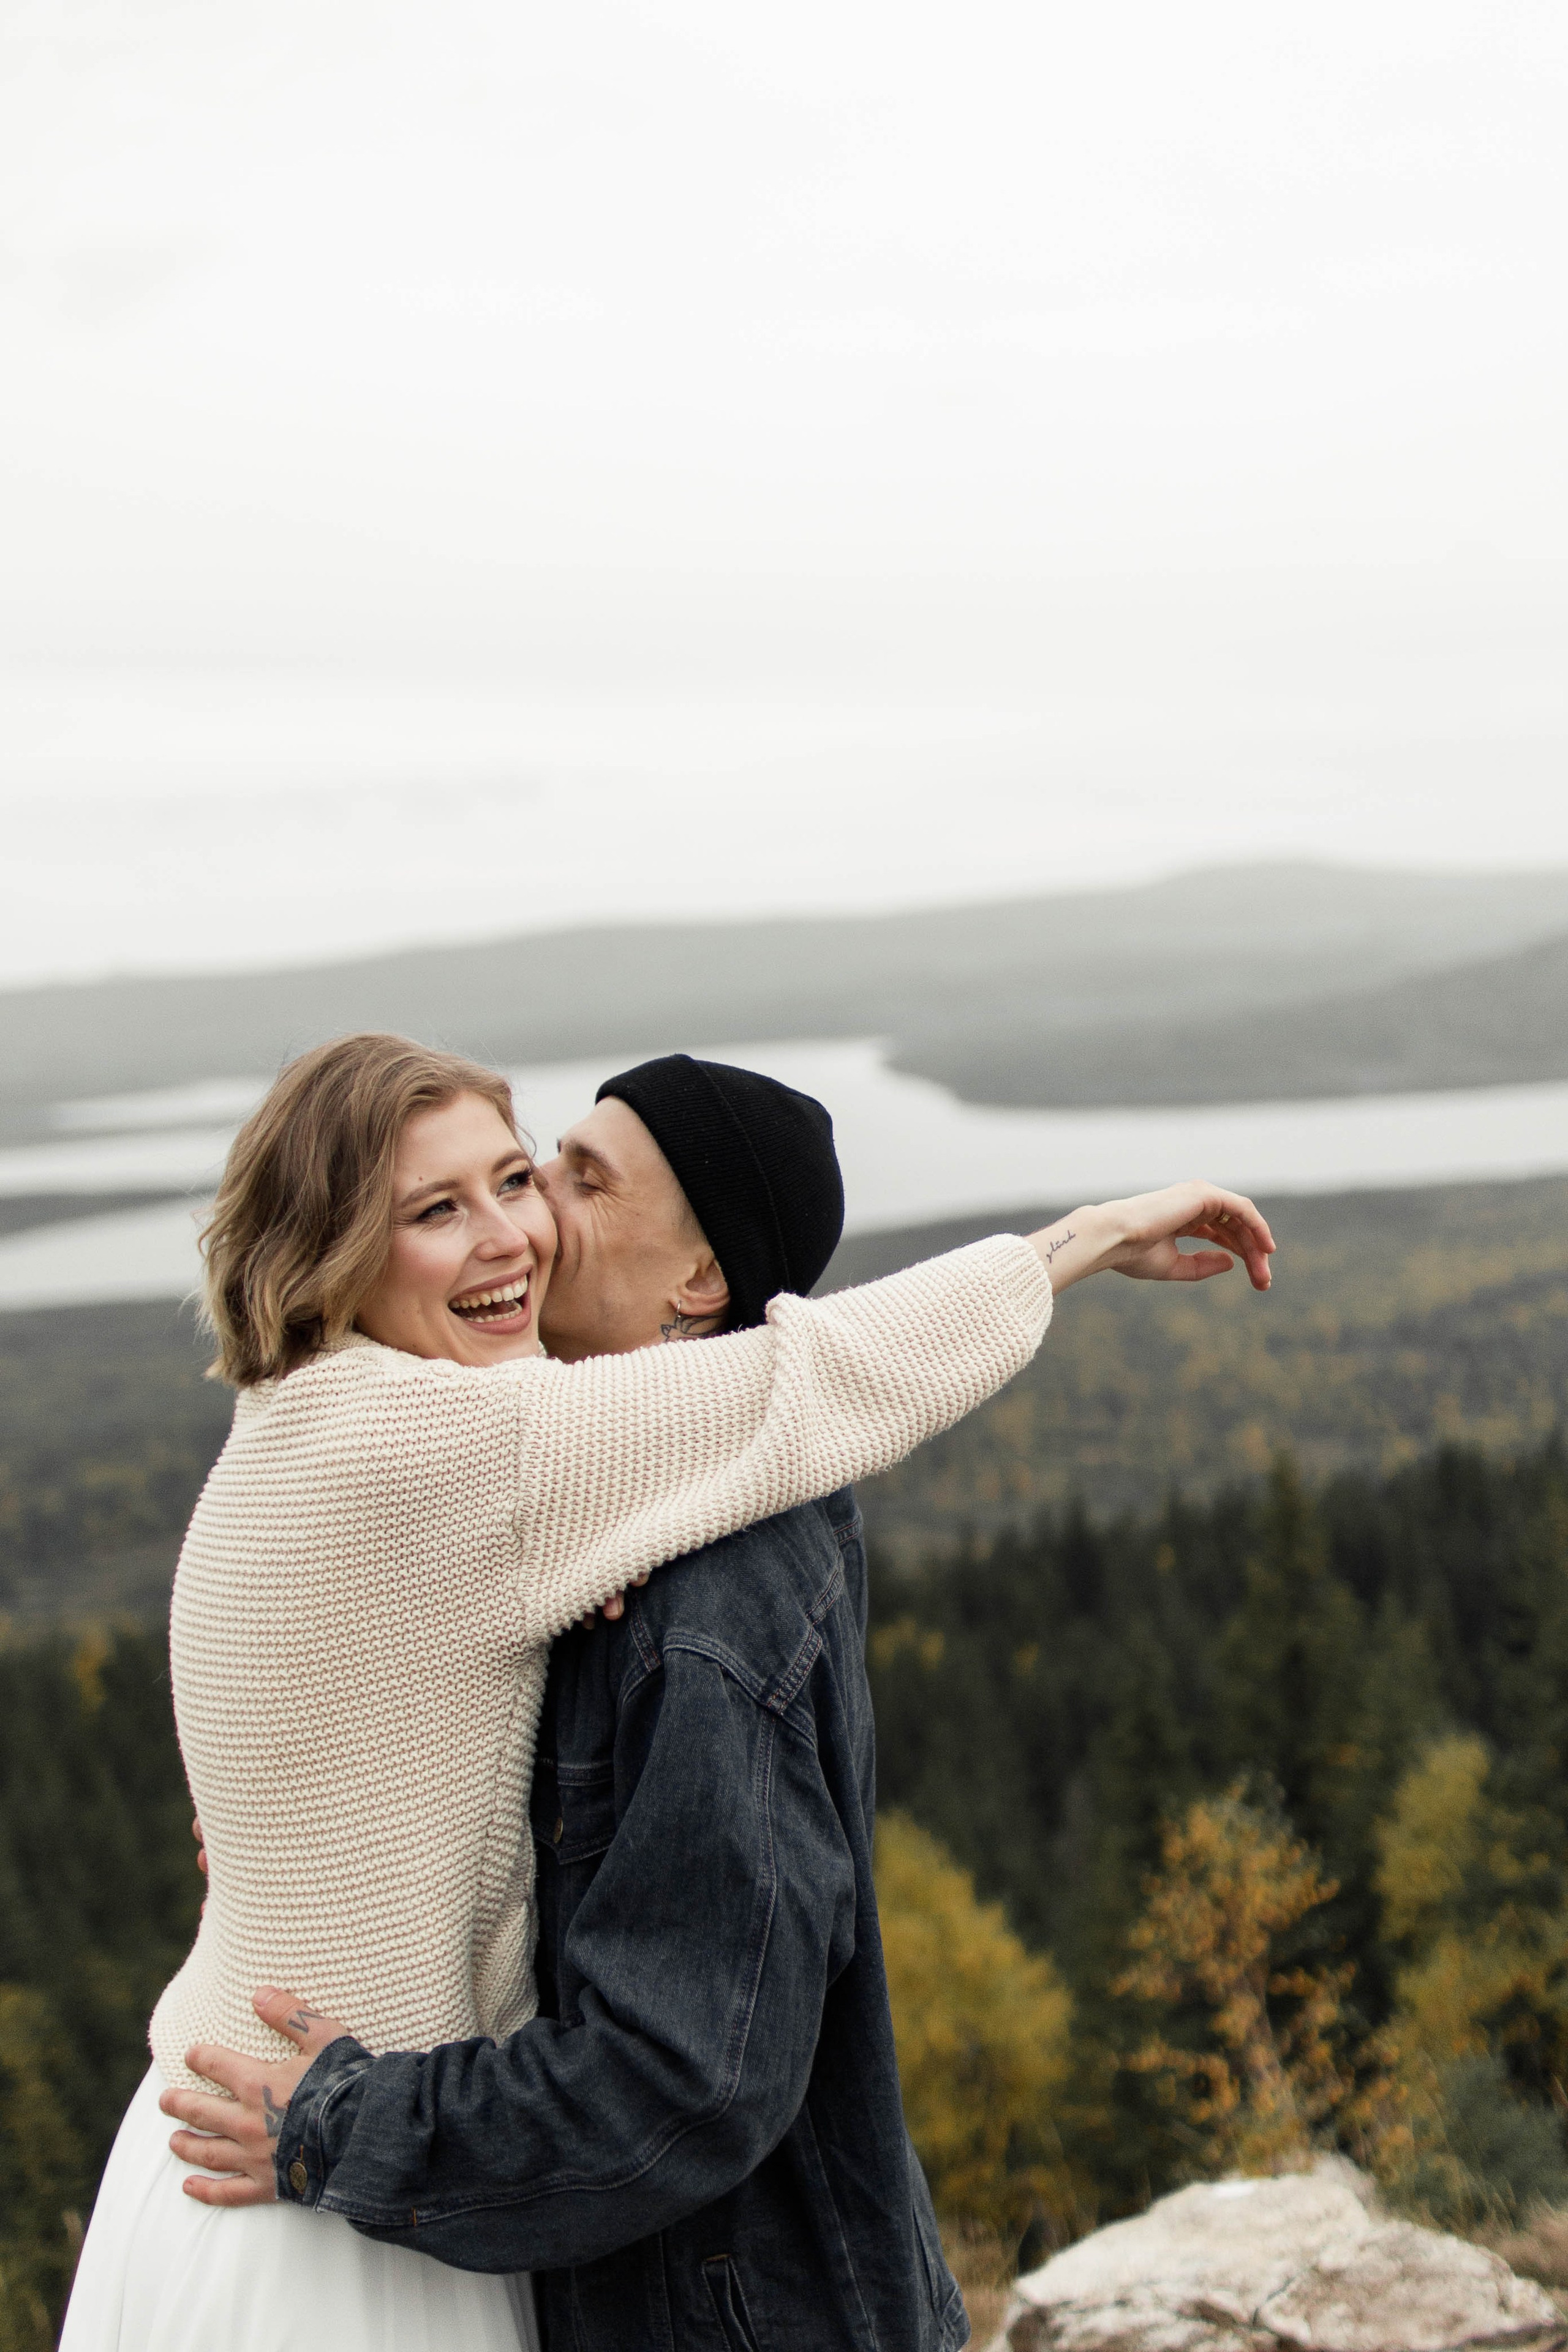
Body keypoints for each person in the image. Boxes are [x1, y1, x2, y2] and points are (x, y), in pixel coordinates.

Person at [118, 1042, 1275, 2352]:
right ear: (334, 1245)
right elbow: (810, 1380)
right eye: (447, 1205)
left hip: (314, 2168)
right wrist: (1088, 1238)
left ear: (705, 1280)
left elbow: (691, 2073)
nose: (526, 1230)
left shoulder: (381, 1446)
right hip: (311, 2198)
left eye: (537, 1181)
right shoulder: (452, 1455)